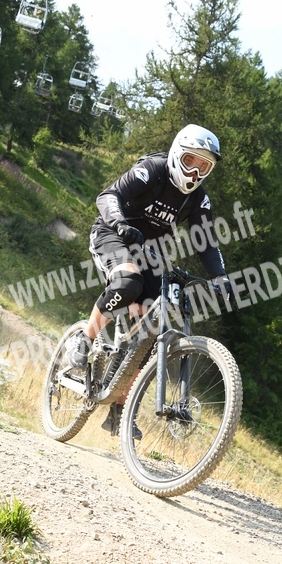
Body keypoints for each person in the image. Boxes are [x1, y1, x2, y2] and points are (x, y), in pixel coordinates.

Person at [66, 123, 233, 435]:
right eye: (190, 161)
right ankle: (85, 338)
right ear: (176, 154)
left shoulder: (198, 199)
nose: (195, 172)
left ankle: (119, 410)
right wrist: (119, 223)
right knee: (128, 283)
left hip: (149, 251)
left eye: (204, 166)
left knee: (150, 330)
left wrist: (221, 277)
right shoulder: (152, 170)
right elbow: (108, 195)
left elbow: (207, 243)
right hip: (112, 233)